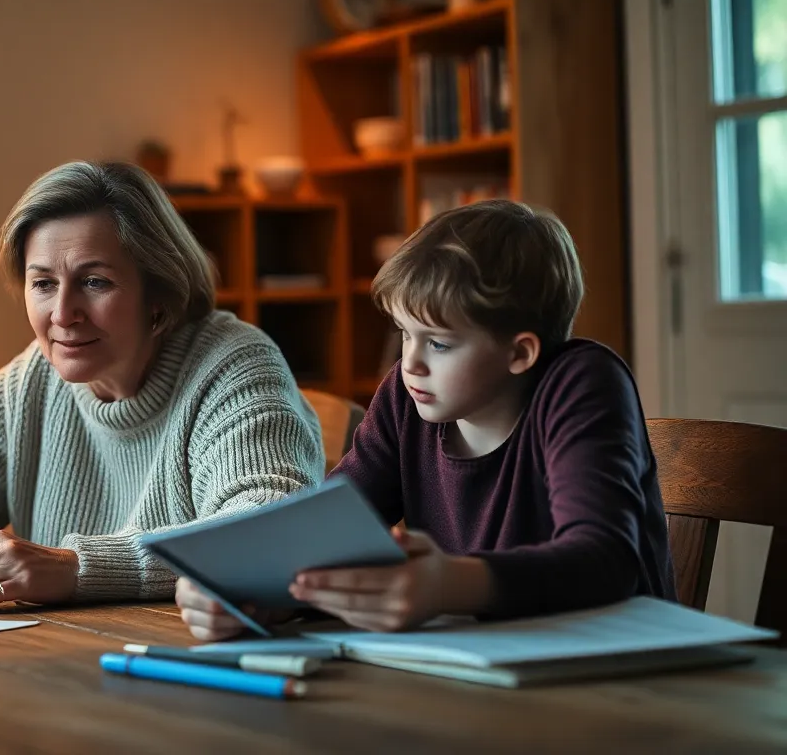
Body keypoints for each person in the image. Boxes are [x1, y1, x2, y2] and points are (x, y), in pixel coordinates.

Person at [0, 160, 324, 613]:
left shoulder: (233, 364)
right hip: (55, 667)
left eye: (95, 282)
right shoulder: (34, 380)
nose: (63, 314)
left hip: (196, 672)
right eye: (43, 283)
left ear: (158, 296)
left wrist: (76, 569)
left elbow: (266, 532)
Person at [177, 199, 676, 640]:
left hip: (620, 680)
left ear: (519, 352)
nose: (410, 361)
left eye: (438, 342)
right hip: (477, 676)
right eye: (403, 333)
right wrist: (254, 592)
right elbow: (330, 531)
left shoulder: (582, 383)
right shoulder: (407, 392)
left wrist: (447, 584)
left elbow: (604, 561)